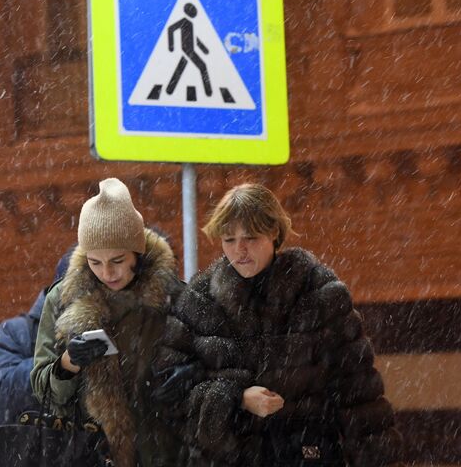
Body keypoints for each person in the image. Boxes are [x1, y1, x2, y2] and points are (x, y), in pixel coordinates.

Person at [154, 183, 402, 466]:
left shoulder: (319, 294)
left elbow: (358, 394)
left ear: (274, 232)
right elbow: (170, 389)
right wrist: (234, 398)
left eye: (250, 237)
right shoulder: (199, 300)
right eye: (229, 239)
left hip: (305, 454)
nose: (240, 250)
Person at [31, 178, 182, 467]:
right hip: (92, 452)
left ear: (137, 253)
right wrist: (68, 363)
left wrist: (188, 376)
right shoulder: (62, 300)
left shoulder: (172, 296)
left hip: (165, 450)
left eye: (117, 260)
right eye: (95, 262)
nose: (107, 272)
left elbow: (204, 364)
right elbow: (43, 390)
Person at [0, 246, 74, 425]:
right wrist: (58, 362)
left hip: (85, 448)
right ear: (58, 292)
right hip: (30, 446)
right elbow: (2, 391)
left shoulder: (106, 327)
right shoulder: (14, 332)